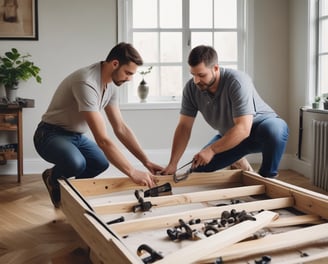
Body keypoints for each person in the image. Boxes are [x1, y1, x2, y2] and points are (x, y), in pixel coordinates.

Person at [34, 42, 163, 208]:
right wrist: (132, 172)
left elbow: (121, 128)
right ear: (115, 64)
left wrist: (146, 161)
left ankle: (73, 193)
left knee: (100, 163)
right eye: (128, 73)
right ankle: (53, 176)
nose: (130, 79)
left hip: (76, 136)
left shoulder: (111, 85)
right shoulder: (86, 82)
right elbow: (102, 140)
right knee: (77, 164)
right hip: (49, 135)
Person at [161, 45, 289, 178]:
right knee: (199, 167)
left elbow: (244, 128)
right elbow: (184, 127)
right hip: (231, 136)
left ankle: (268, 176)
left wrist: (211, 149)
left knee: (275, 131)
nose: (196, 80)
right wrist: (172, 164)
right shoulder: (191, 89)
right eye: (193, 75)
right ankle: (238, 160)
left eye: (201, 75)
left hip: (259, 129)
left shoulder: (237, 81)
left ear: (215, 68)